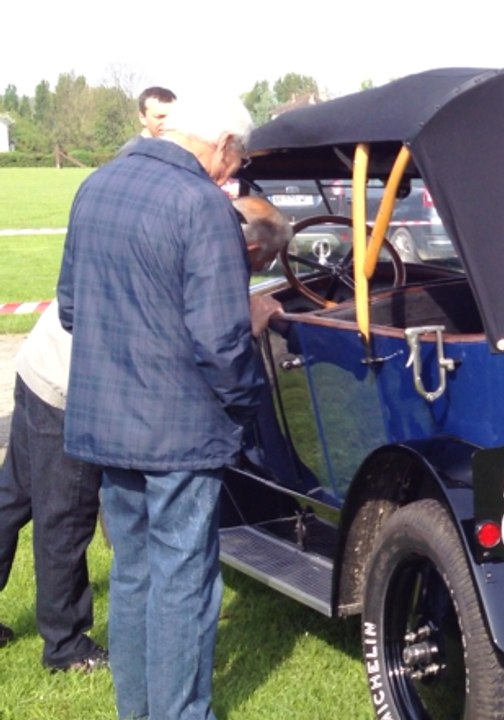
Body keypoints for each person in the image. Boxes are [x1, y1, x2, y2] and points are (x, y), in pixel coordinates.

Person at [0, 194, 288, 678]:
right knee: (66, 517)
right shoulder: (206, 256)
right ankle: (66, 646)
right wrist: (249, 323)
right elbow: (202, 342)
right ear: (256, 254)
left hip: (40, 365)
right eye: (265, 261)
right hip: (74, 389)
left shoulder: (171, 225)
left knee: (13, 496)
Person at [56, 92, 270, 720]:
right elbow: (222, 338)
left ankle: (139, 709)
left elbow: (70, 308)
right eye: (237, 161)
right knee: (184, 582)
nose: (233, 173)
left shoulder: (96, 186)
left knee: (133, 571)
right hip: (179, 430)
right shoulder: (201, 204)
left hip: (106, 417)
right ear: (223, 146)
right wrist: (247, 407)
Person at [117, 86, 176, 156]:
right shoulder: (131, 153)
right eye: (159, 117)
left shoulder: (178, 151)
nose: (167, 123)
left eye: (172, 117)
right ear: (142, 118)